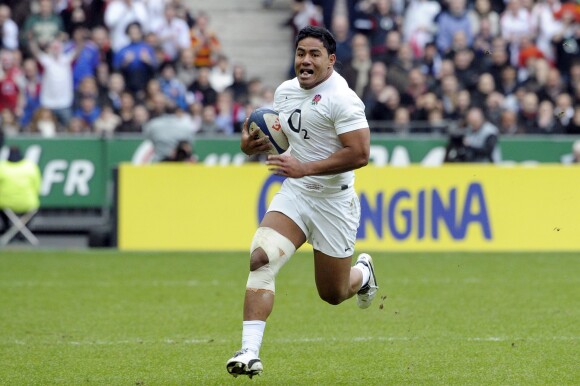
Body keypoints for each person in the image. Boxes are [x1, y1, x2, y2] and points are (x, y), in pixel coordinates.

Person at [226, 26, 378, 378]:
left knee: (334, 293)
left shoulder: (344, 99)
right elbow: (276, 138)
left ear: (331, 61)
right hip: (297, 194)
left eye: (314, 54)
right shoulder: (284, 92)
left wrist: (304, 167)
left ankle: (363, 273)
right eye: (300, 53)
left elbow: (360, 153)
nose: (305, 61)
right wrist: (248, 146)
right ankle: (249, 352)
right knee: (260, 258)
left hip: (333, 202)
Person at [0, 146, 41, 237]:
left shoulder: (2, 167)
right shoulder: (30, 166)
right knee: (32, 209)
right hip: (28, 203)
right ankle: (22, 231)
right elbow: (37, 186)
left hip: (5, 204)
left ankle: (8, 229)